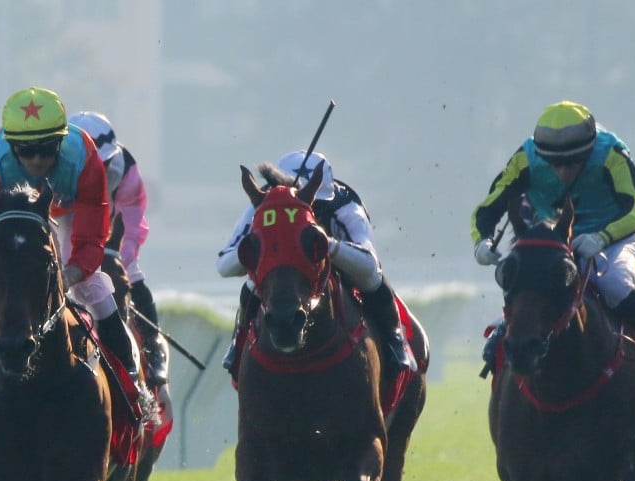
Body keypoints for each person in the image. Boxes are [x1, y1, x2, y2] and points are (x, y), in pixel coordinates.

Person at [0, 87, 151, 415]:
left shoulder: (83, 155)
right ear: (12, 147)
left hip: (73, 210)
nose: (36, 160)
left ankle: (130, 379)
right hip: (17, 212)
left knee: (95, 286)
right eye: (27, 152)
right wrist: (1, 274)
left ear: (60, 143)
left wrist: (73, 272)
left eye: (46, 150)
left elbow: (92, 233)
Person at [471, 100, 635, 381]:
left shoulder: (611, 154)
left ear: (589, 150)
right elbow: (488, 207)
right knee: (526, 278)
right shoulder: (525, 159)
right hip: (556, 237)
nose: (564, 171)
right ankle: (507, 329)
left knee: (614, 282)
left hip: (616, 233)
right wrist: (482, 242)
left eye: (573, 162)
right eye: (555, 164)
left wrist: (602, 237)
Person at [215, 150, 417, 379]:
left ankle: (394, 341)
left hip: (335, 263)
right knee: (251, 286)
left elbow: (369, 265)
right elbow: (224, 265)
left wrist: (325, 244)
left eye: (313, 204)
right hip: (283, 266)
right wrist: (258, 245)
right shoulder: (263, 205)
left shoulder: (347, 207)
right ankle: (239, 342)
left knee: (372, 282)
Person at [67, 110, 168, 386]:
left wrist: (120, 258)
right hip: (69, 239)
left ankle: (153, 350)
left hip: (110, 238)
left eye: (102, 163)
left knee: (131, 273)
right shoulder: (56, 168)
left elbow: (132, 224)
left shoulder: (125, 170)